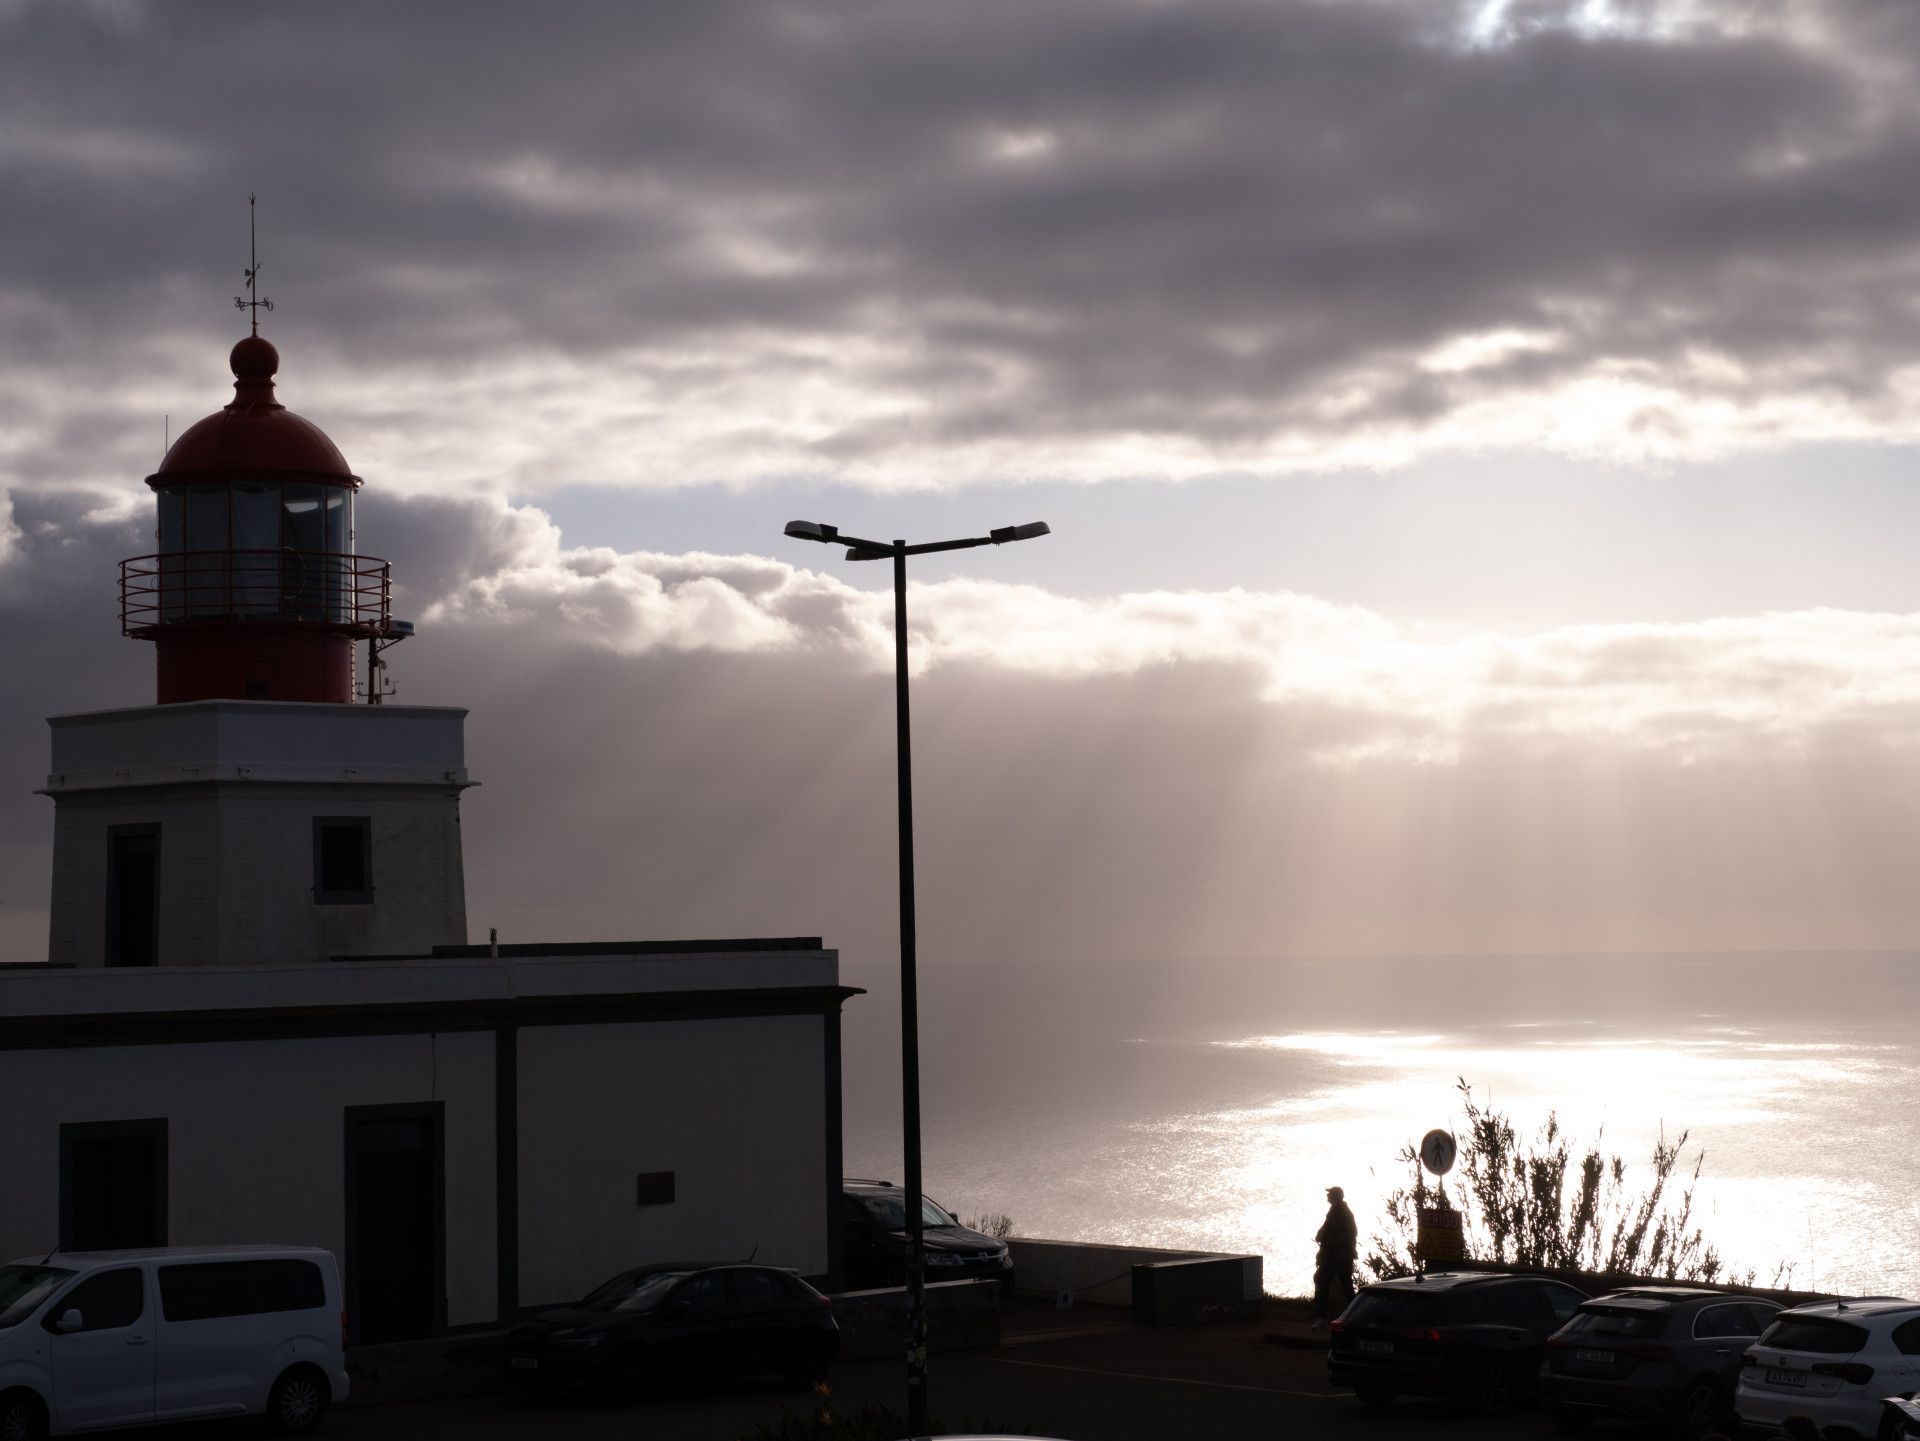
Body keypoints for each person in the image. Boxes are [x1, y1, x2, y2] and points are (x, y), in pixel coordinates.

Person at [1312, 1185, 1358, 1330]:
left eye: (1330, 1194)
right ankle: (1322, 1318)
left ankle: (1352, 1318)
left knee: (1346, 1287)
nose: (1328, 1196)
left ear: (1336, 1197)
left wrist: (1334, 1239)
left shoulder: (1345, 1213)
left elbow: (1352, 1233)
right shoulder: (1333, 1211)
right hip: (1329, 1255)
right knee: (1323, 1286)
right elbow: (1326, 1229)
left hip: (1341, 1257)